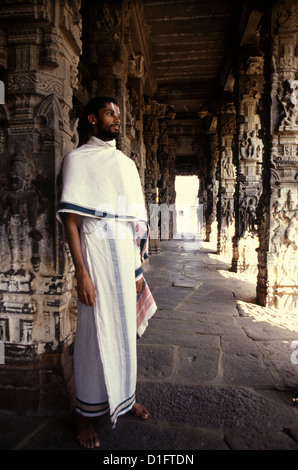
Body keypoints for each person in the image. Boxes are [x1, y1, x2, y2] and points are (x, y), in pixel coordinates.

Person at [57, 97, 156, 448]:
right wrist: (81, 272)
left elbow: (135, 220)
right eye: (110, 113)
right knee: (91, 337)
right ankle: (84, 415)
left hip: (123, 257)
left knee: (125, 333)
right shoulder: (76, 160)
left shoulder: (125, 164)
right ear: (92, 119)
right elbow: (71, 221)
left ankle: (124, 398)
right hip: (95, 256)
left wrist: (137, 269)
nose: (117, 118)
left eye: (118, 113)